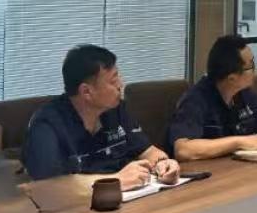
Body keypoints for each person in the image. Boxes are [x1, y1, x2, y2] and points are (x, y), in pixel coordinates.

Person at [21, 44, 179, 187]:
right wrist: (115, 180)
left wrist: (163, 163)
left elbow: (147, 150)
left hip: (126, 199)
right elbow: (48, 186)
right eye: (113, 81)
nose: (120, 85)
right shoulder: (47, 125)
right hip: (78, 206)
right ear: (86, 92)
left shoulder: (115, 109)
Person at [168, 34, 257, 161]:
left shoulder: (245, 94)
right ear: (232, 78)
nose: (255, 70)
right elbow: (183, 150)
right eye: (251, 66)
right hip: (208, 170)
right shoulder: (195, 99)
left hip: (238, 167)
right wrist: (238, 142)